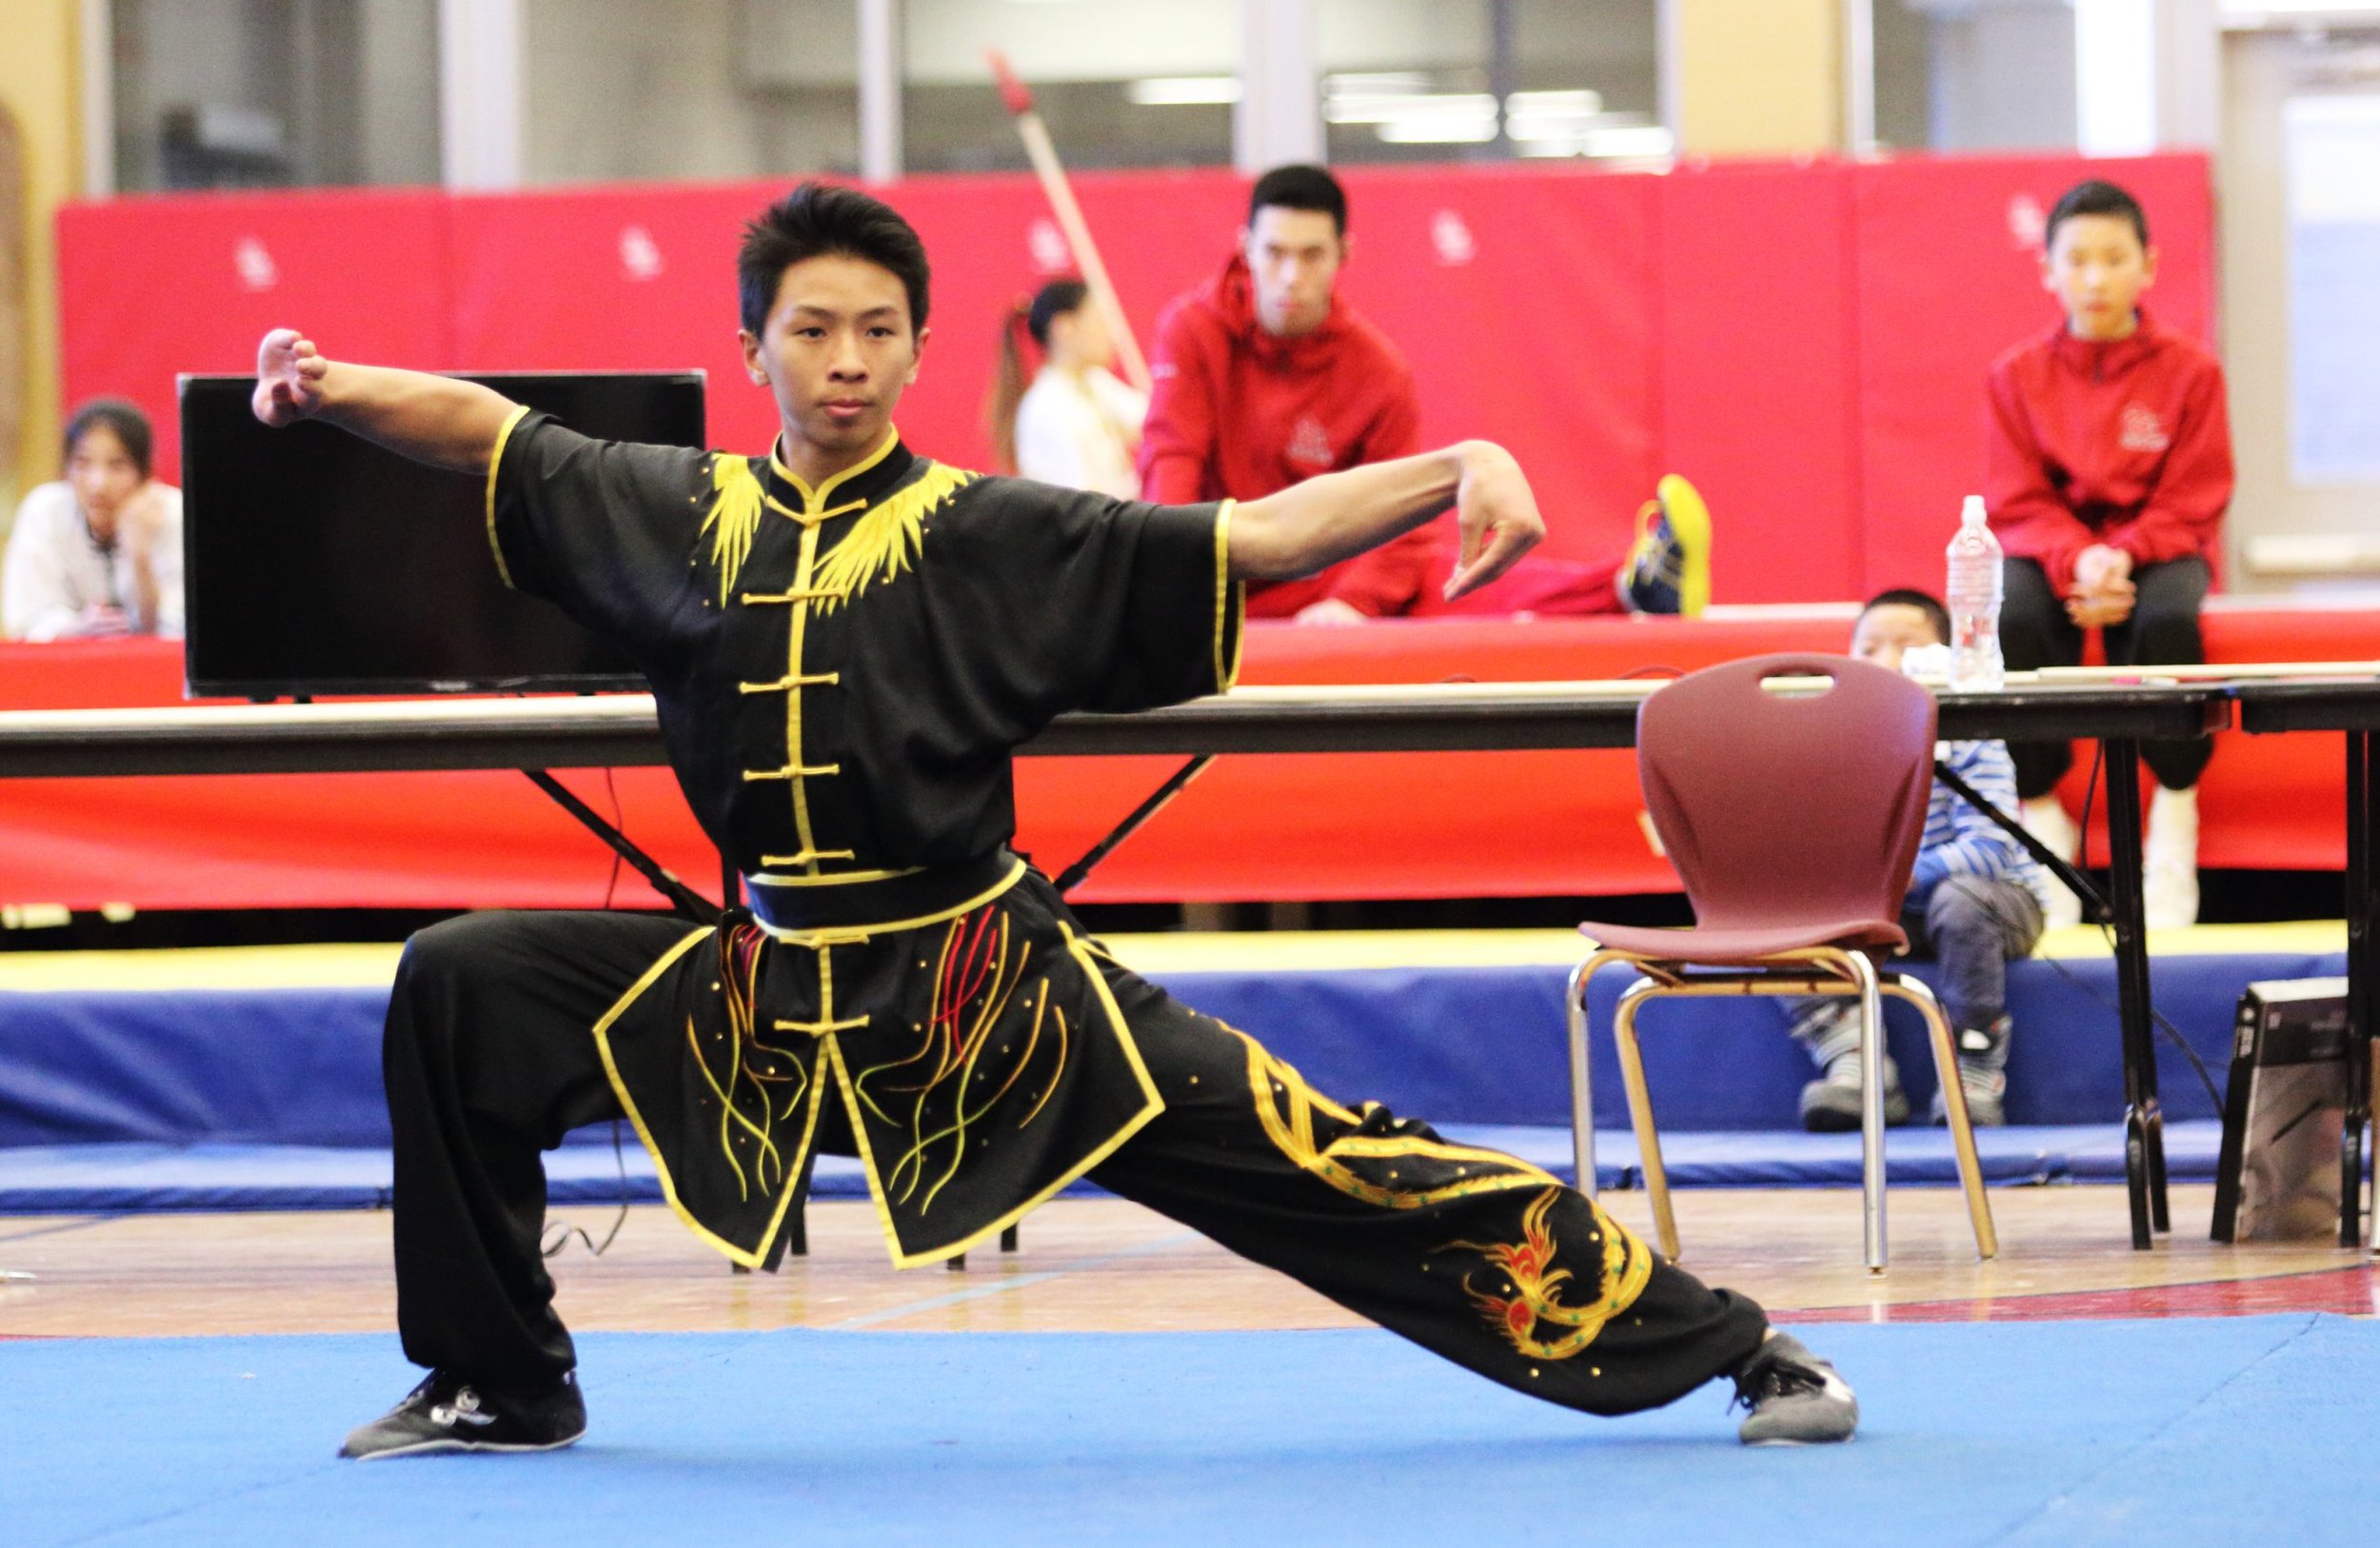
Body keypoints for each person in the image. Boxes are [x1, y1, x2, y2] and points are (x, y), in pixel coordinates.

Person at [253, 182, 1853, 1459]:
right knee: (462, 980)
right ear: (755, 350)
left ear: (918, 347)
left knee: (1330, 1159)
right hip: (753, 986)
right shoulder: (669, 511)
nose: (848, 360)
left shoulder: (999, 532)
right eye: (812, 330)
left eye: (880, 329)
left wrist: (1465, 461)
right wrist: (327, 389)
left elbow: (1261, 532)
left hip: (992, 997)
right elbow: (485, 429)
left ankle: (1726, 1343)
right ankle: (500, 1382)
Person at [1139, 164, 1708, 623]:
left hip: (1323, 579)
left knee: (1446, 577)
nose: (1291, 275)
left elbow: (1403, 522)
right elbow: (1172, 465)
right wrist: (1178, 581)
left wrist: (1351, 606)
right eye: (1275, 253)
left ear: (1344, 254)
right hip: (1224, 577)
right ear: (1246, 249)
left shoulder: (1378, 370)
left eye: (1311, 255)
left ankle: (1633, 586)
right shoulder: (1192, 330)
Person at [1985, 178, 2232, 931]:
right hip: (2053, 551)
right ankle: (2044, 822)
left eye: (2114, 258)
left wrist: (2122, 556)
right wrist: (2076, 560)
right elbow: (2015, 498)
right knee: (2015, 619)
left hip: (2157, 548)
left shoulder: (2192, 373)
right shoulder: (2016, 376)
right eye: (2078, 259)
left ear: (2148, 265)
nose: (2096, 278)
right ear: (2047, 269)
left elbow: (2196, 493)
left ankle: (2174, 818)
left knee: (2166, 625)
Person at [1790, 590, 2052, 1133]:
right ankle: (1856, 1063)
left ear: (1946, 658)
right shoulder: (1830, 744)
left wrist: (1893, 879)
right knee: (1780, 898)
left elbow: (1991, 847)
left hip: (1991, 903)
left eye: (1907, 647)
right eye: (1870, 648)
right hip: (1889, 911)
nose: (1886, 661)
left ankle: (1975, 1065)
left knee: (1962, 900)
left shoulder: (1972, 733)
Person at [2, 398, 184, 641]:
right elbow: (26, 618)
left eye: (117, 465)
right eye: (82, 463)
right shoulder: (45, 511)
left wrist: (139, 556)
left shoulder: (173, 513)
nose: (98, 484)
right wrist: (75, 627)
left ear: (144, 473)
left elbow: (177, 631)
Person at [986, 278, 1147, 500]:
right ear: (1065, 328)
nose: (1111, 334)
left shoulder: (1093, 381)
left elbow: (1151, 420)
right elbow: (1084, 506)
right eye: (1100, 321)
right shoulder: (1046, 408)